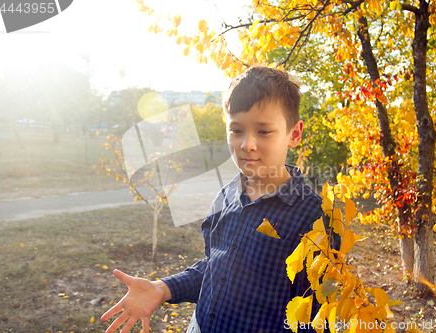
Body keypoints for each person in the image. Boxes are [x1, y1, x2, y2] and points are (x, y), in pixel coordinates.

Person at [101, 66, 335, 333]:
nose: (247, 144)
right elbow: (216, 268)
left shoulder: (314, 217)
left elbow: (317, 316)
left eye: (264, 131)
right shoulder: (224, 198)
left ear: (293, 134)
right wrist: (162, 288)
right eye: (236, 130)